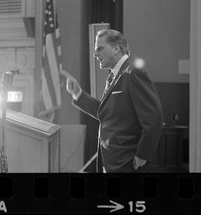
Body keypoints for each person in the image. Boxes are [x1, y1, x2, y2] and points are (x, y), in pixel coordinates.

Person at [62, 29, 163, 173]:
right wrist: (78, 94)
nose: (95, 54)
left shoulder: (133, 72)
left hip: (127, 162)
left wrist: (143, 155)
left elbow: (154, 120)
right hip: (112, 161)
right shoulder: (115, 75)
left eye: (100, 49)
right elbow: (107, 113)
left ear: (116, 49)